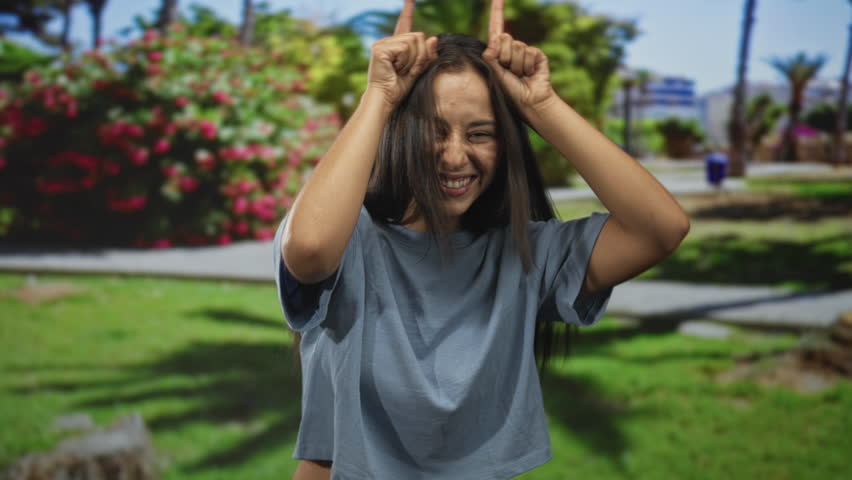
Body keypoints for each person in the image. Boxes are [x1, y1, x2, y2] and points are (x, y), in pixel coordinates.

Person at [273, 1, 690, 478]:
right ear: (399, 134)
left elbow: (662, 228)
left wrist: (541, 106)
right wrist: (380, 97)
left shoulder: (526, 253)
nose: (455, 156)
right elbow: (307, 251)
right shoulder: (348, 234)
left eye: (480, 133)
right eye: (433, 131)